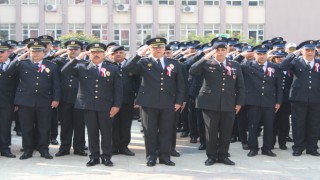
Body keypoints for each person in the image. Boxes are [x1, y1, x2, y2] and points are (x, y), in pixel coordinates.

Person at [124, 37, 185, 167]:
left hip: (169, 102)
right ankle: (151, 156)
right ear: (149, 49)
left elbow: (180, 84)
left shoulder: (174, 63)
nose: (158, 49)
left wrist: (179, 101)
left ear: (164, 49)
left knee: (166, 130)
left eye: (160, 47)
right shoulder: (143, 62)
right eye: (154, 47)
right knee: (150, 131)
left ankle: (165, 157)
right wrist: (139, 54)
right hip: (148, 102)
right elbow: (126, 68)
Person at [61, 42, 123, 167]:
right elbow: (64, 71)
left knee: (106, 133)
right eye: (93, 52)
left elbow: (118, 89)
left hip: (106, 106)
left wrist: (117, 105)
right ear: (89, 54)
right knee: (92, 132)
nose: (96, 54)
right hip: (88, 105)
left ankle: (106, 156)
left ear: (104, 54)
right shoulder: (82, 67)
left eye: (99, 52)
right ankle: (94, 156)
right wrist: (78, 57)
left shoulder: (113, 68)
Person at [189, 38, 245, 166]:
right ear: (213, 52)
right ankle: (211, 156)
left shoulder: (234, 65)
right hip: (209, 103)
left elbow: (241, 86)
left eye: (222, 50)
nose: (220, 53)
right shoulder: (206, 63)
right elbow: (192, 70)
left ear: (227, 51)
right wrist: (205, 56)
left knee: (226, 131)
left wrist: (239, 103)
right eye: (217, 50)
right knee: (211, 131)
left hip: (229, 103)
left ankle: (223, 155)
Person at [6, 41, 61, 160]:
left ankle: (44, 150)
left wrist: (56, 99)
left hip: (45, 101)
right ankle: (27, 150)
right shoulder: (22, 64)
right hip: (25, 101)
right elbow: (9, 70)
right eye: (32, 51)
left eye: (38, 51)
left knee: (44, 127)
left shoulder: (51, 65)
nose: (35, 54)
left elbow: (56, 84)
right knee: (27, 127)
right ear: (29, 52)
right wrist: (21, 56)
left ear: (43, 52)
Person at [241, 44, 282, 157]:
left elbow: (278, 86)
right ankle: (253, 148)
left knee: (269, 127)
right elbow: (235, 64)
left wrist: (278, 101)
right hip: (253, 102)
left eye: (264, 53)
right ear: (254, 54)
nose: (262, 56)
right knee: (253, 126)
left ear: (267, 54)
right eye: (259, 53)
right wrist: (242, 55)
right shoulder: (247, 66)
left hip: (269, 102)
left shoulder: (274, 67)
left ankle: (267, 148)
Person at [280, 40, 320, 156]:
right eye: (307, 50)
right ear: (302, 51)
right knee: (298, 124)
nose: (310, 52)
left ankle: (312, 148)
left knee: (314, 124)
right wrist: (294, 53)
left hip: (316, 98)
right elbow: (283, 66)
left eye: (312, 50)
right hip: (298, 98)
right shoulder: (296, 62)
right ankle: (298, 147)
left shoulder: (318, 63)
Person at [53, 40, 87, 157]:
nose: (73, 51)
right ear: (66, 50)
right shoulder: (59, 61)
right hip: (65, 98)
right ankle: (64, 148)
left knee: (80, 125)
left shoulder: (86, 62)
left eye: (76, 49)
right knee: (65, 125)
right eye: (70, 49)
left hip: (80, 99)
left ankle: (79, 147)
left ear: (81, 50)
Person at [111, 45, 139, 156]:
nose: (118, 54)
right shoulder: (108, 66)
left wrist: (137, 98)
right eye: (115, 52)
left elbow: (138, 82)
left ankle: (124, 147)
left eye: (121, 52)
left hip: (127, 99)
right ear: (111, 55)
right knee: (112, 125)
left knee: (126, 125)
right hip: (111, 101)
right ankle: (113, 147)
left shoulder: (132, 66)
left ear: (125, 54)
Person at [0, 42, 17, 158]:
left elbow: (18, 86)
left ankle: (5, 149)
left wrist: (16, 102)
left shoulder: (15, 66)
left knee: (5, 126)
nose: (0, 54)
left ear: (8, 52)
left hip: (7, 102)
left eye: (2, 51)